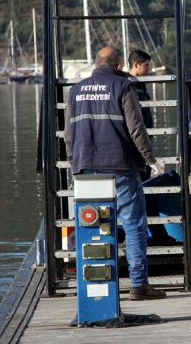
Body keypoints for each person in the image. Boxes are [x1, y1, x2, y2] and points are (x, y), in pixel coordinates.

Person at [65, 46, 167, 301]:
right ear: (119, 64)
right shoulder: (123, 86)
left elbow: (69, 134)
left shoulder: (76, 90)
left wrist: (73, 162)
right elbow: (136, 128)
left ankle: (96, 283)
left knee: (94, 226)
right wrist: (150, 159)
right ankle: (139, 284)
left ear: (95, 63)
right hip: (121, 166)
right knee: (133, 225)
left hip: (86, 168)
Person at [128, 50, 154, 128]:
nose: (148, 69)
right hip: (136, 132)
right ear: (136, 65)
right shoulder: (127, 84)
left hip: (146, 130)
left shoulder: (142, 83)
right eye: (145, 65)